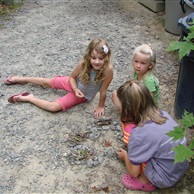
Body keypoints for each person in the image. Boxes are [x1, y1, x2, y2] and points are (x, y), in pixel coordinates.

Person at [4, 38, 114, 118]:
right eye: (93, 58)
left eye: (101, 58)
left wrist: (100, 106)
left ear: (106, 57)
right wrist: (75, 88)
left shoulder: (108, 70)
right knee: (46, 82)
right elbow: (72, 77)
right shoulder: (83, 63)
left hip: (82, 95)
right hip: (72, 83)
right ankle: (21, 79)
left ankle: (28, 98)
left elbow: (103, 90)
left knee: (53, 107)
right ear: (89, 55)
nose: (97, 61)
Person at [116, 80, 188, 192]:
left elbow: (134, 172)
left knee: (138, 155)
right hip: (181, 167)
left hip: (164, 178)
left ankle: (145, 182)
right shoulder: (164, 114)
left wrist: (126, 156)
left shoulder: (139, 134)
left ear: (127, 108)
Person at [112, 44, 159, 145]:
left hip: (146, 108)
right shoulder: (137, 73)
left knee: (116, 98)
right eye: (136, 61)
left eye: (143, 63)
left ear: (150, 65)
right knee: (115, 95)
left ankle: (131, 117)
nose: (138, 65)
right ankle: (130, 114)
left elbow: (149, 101)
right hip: (138, 100)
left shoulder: (149, 80)